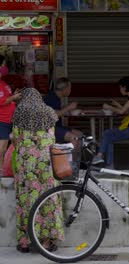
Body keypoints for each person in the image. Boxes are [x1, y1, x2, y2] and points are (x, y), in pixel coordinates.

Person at [11, 88, 63, 253]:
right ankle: (46, 241)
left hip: (26, 164)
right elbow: (53, 138)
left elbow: (16, 139)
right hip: (46, 162)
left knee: (27, 200)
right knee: (48, 199)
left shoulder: (19, 112)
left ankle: (26, 242)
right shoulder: (48, 112)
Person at [92, 77, 129, 167]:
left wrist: (109, 107)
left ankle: (100, 156)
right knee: (109, 137)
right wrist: (116, 104)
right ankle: (109, 164)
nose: (120, 89)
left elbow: (122, 112)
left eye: (120, 87)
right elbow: (127, 111)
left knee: (107, 133)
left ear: (124, 87)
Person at [43, 77, 82, 147]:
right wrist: (68, 108)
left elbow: (57, 110)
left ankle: (78, 157)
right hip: (48, 129)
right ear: (64, 89)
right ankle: (71, 158)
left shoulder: (56, 97)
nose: (70, 90)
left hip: (56, 127)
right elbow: (53, 115)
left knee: (79, 134)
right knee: (74, 138)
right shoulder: (51, 98)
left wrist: (68, 109)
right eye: (69, 88)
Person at [0, 56, 21, 176]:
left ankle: (3, 172)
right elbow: (2, 101)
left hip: (8, 120)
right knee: (1, 150)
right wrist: (13, 97)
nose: (5, 68)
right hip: (1, 120)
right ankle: (1, 175)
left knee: (4, 149)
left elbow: (7, 99)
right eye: (3, 65)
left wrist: (14, 95)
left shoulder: (3, 83)